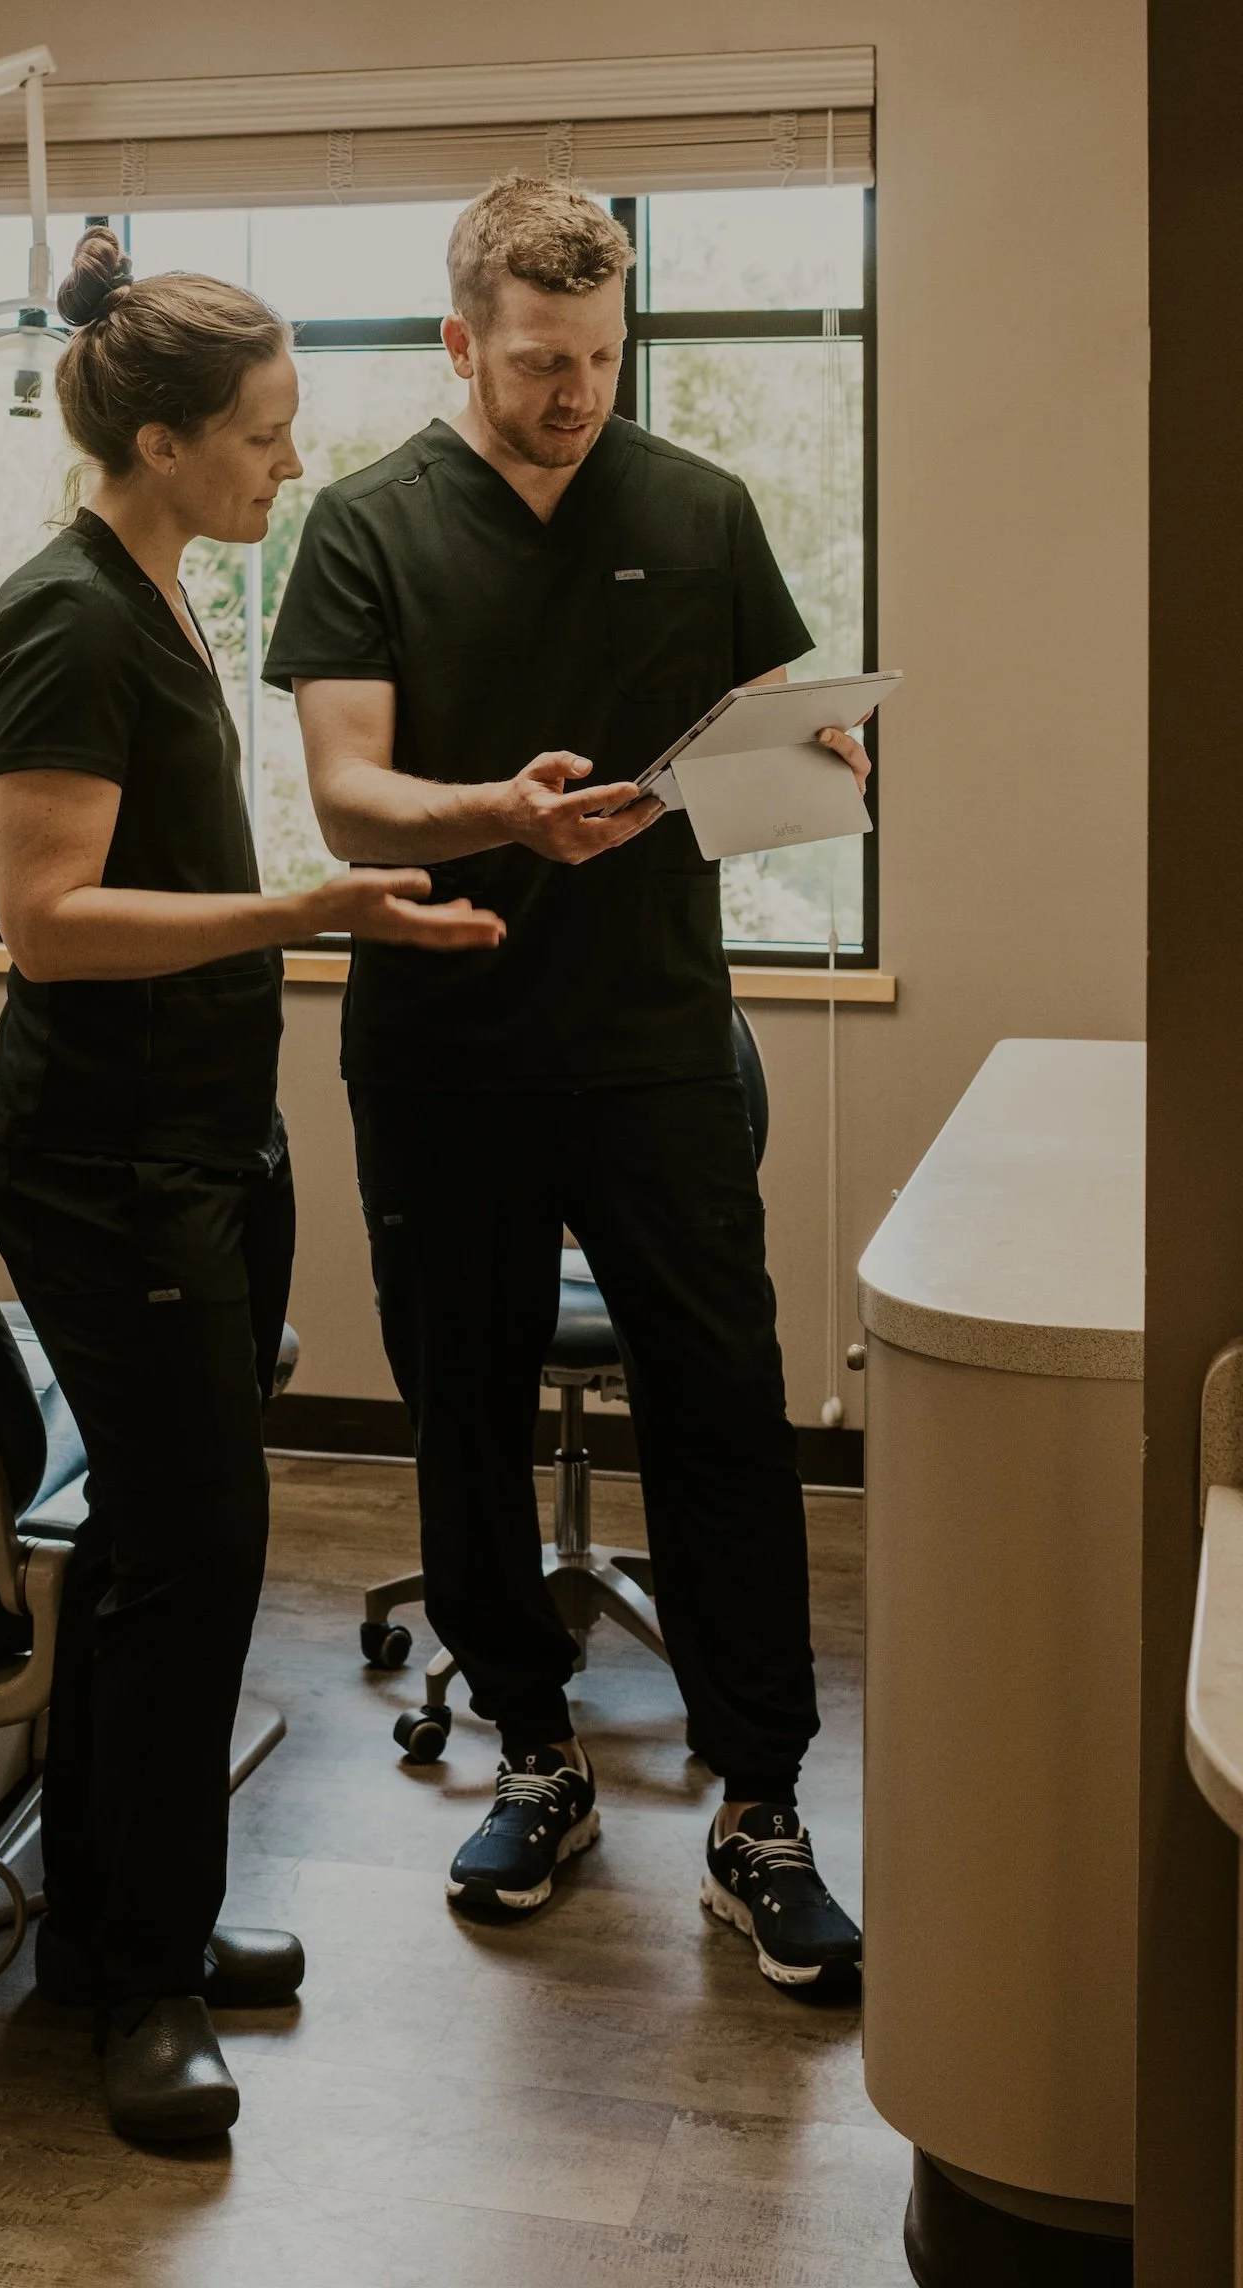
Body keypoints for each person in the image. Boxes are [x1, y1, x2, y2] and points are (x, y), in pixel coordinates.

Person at [262, 175, 869, 1990]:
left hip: (657, 1037)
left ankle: (757, 1804)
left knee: (725, 1394)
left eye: (601, 356)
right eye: (540, 361)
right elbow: (348, 794)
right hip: (445, 1038)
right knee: (464, 1404)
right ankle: (536, 1755)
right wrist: (503, 817)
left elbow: (777, 706)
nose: (577, 391)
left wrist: (830, 749)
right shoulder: (369, 524)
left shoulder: (696, 504)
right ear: (463, 340)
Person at [0, 223, 503, 2142]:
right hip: (107, 1162)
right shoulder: (68, 616)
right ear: (169, 441)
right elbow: (47, 924)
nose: (291, 464)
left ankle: (110, 1934)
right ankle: (146, 1977)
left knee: (151, 1551)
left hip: (201, 1136)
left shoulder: (163, 590)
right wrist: (307, 910)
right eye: (264, 436)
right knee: (194, 1556)